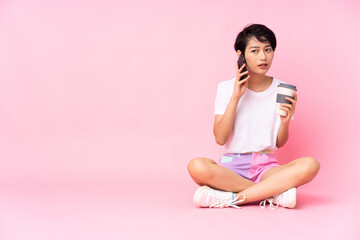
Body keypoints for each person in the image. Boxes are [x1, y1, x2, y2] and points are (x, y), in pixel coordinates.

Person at [187, 24, 320, 209]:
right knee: (197, 166)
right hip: (232, 168)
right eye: (255, 50)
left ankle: (232, 199)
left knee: (310, 165)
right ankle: (272, 194)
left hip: (267, 168)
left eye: (268, 50)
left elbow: (280, 143)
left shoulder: (283, 89)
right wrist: (236, 96)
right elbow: (220, 138)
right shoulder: (226, 89)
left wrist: (285, 122)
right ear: (241, 55)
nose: (263, 57)